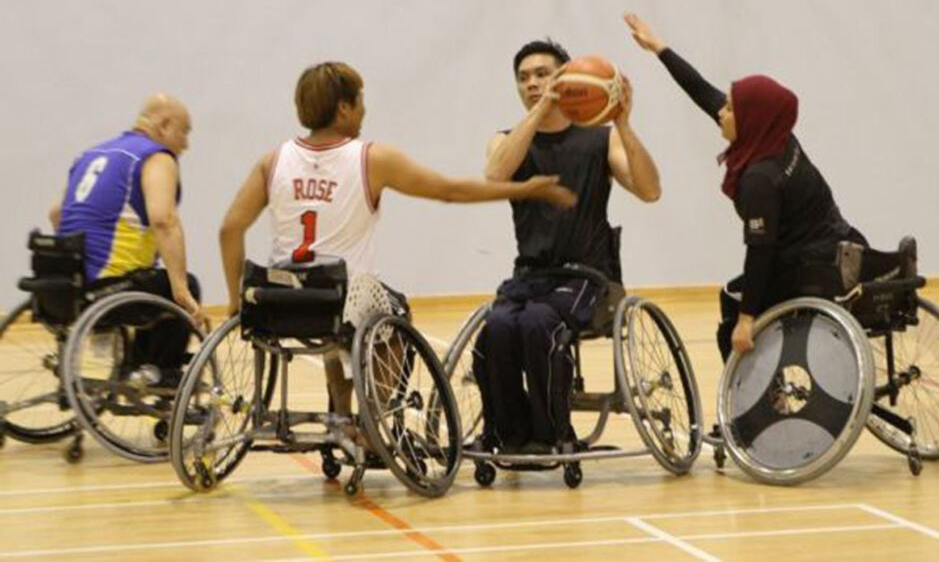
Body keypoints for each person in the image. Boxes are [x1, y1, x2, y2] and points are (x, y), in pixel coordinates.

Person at [218, 61, 577, 443]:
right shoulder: (371, 158)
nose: (364, 109)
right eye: (360, 101)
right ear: (344, 108)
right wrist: (525, 189)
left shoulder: (273, 161)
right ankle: (370, 423)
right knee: (392, 315)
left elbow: (229, 229)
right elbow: (450, 191)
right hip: (339, 298)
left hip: (278, 300)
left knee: (334, 317)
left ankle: (341, 414)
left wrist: (235, 300)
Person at [624, 12, 912, 361]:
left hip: (812, 269)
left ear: (750, 119)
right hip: (844, 247)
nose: (722, 113)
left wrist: (745, 321)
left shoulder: (759, 180)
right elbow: (703, 92)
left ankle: (755, 392)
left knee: (731, 303)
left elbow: (761, 252)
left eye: (730, 109)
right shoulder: (777, 137)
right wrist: (659, 48)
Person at [473, 39, 662, 454]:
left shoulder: (601, 139)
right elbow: (494, 176)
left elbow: (650, 190)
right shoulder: (505, 140)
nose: (532, 83)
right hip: (529, 276)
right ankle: (508, 436)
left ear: (566, 78)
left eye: (542, 74)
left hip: (586, 277)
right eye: (523, 78)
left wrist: (624, 124)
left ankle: (551, 436)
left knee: (539, 322)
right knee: (497, 328)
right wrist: (542, 108)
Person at [51, 93, 205, 386]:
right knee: (181, 288)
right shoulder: (155, 156)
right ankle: (158, 374)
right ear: (164, 124)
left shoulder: (91, 155)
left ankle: (133, 367)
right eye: (184, 131)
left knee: (150, 282)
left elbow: (56, 213)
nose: (185, 143)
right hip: (110, 288)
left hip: (68, 286)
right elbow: (164, 220)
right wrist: (181, 289)